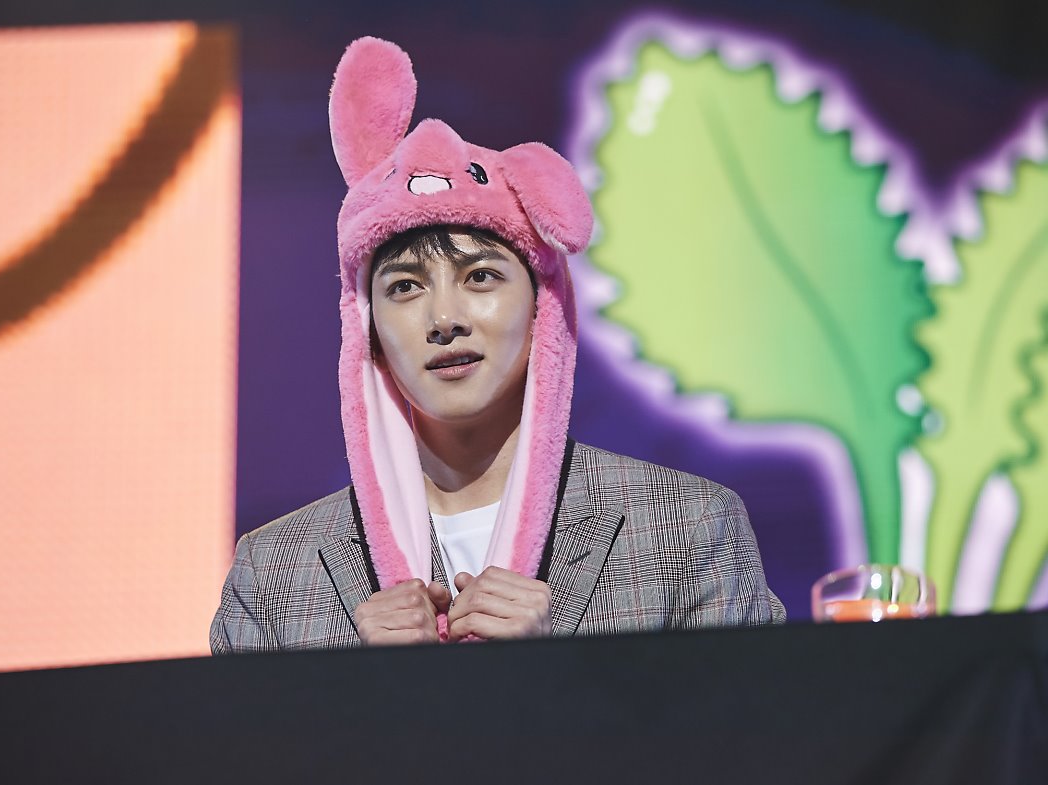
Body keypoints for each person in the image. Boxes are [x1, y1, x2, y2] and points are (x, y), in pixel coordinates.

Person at [210, 37, 784, 653]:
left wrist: (557, 674)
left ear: (543, 309)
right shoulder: (273, 572)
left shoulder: (687, 528)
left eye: (481, 277)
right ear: (367, 331)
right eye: (404, 287)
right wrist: (359, 689)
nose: (444, 319)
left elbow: (767, 717)